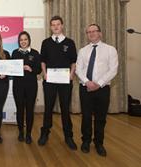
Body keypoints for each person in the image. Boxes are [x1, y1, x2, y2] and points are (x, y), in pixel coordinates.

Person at [76, 24, 118, 156]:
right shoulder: (83, 51)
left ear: (100, 33)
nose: (91, 34)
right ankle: (86, 141)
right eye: (89, 32)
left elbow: (113, 70)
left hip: (102, 89)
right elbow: (78, 69)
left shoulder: (110, 50)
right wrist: (88, 82)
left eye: (94, 31)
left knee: (101, 117)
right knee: (86, 116)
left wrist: (98, 84)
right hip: (85, 88)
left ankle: (99, 143)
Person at [37, 16, 78, 150]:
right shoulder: (46, 43)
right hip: (49, 81)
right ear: (50, 27)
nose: (55, 27)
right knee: (48, 108)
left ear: (62, 26)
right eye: (53, 25)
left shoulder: (70, 43)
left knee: (65, 109)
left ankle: (68, 136)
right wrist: (45, 73)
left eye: (58, 24)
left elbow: (73, 61)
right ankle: (45, 133)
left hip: (65, 81)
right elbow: (42, 60)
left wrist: (72, 75)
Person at [12, 31, 41, 144]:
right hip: (18, 86)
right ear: (19, 42)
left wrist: (31, 69)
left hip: (31, 86)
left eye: (25, 39)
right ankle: (20, 132)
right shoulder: (15, 53)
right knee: (19, 110)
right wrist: (19, 68)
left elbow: (39, 70)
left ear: (29, 40)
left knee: (29, 110)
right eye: (21, 40)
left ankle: (28, 133)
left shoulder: (35, 53)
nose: (23, 42)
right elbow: (11, 68)